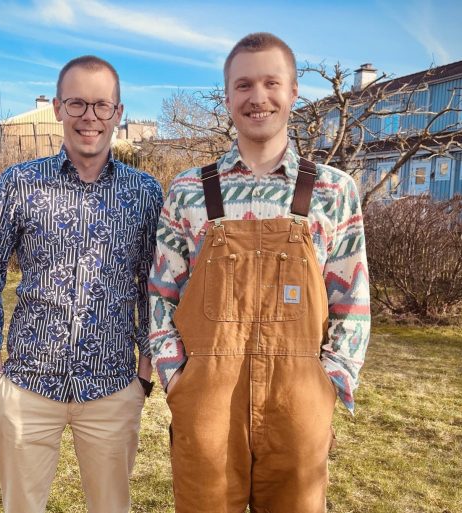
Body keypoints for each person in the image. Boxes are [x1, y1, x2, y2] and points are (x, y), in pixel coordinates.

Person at [149, 33, 370, 513]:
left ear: (293, 92)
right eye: (243, 84)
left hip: (298, 400)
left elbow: (352, 301)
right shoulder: (188, 190)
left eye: (272, 82)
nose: (258, 96)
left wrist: (329, 383)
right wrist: (177, 380)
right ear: (227, 97)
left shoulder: (334, 190)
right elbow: (160, 295)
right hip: (207, 399)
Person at [0, 55, 163, 513]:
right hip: (28, 386)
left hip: (114, 388)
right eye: (76, 103)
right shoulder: (19, 184)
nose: (89, 117)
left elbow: (154, 287)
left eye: (101, 105)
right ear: (57, 108)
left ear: (118, 112)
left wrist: (144, 371)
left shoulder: (146, 192)